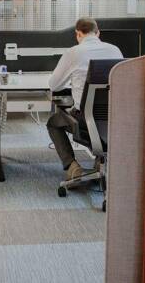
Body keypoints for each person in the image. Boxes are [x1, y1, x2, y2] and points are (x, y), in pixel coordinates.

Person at [47, 17, 122, 181]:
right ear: (98, 33)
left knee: (53, 122)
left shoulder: (73, 52)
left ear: (78, 34)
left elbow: (54, 86)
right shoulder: (115, 50)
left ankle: (72, 167)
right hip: (114, 120)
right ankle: (101, 163)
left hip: (85, 121)